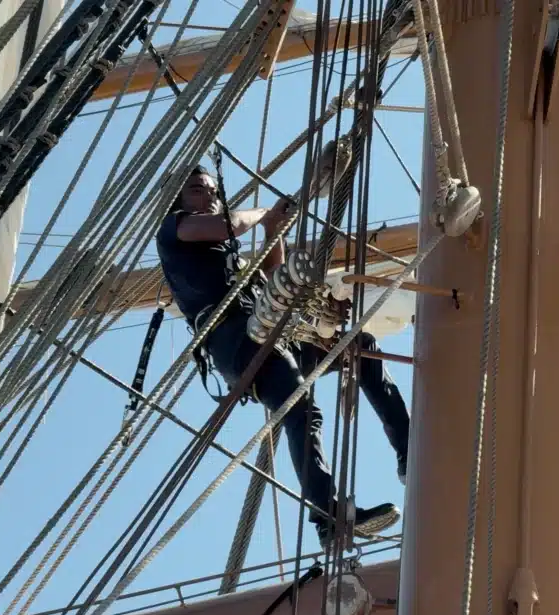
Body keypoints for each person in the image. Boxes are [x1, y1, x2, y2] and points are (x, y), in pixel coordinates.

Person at [155, 164, 409, 552]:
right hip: (236, 341)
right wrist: (262, 215)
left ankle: (409, 449)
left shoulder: (231, 260)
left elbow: (276, 275)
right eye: (196, 190)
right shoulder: (174, 229)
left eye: (211, 190)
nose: (207, 195)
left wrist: (274, 231)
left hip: (271, 332)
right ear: (180, 201)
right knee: (300, 407)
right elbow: (229, 225)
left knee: (362, 347)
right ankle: (328, 515)